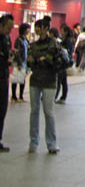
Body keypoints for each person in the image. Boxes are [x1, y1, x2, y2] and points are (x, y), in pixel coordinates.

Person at [27, 18, 60, 154]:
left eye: (39, 27)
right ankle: (33, 141)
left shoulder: (54, 43)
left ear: (46, 28)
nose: (36, 29)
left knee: (48, 112)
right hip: (35, 80)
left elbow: (49, 59)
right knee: (34, 111)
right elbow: (30, 62)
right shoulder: (33, 45)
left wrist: (38, 59)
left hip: (49, 81)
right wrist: (40, 59)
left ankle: (51, 143)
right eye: (35, 27)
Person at [0, 14, 15, 152]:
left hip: (4, 78)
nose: (10, 31)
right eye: (8, 28)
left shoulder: (6, 38)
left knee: (2, 110)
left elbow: (7, 55)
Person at [11, 22, 30, 102]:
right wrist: (19, 63)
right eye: (28, 29)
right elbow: (17, 52)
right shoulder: (19, 40)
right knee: (16, 79)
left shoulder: (26, 39)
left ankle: (21, 96)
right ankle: (14, 96)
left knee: (22, 79)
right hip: (19, 62)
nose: (29, 30)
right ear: (24, 29)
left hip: (24, 62)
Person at [55, 25, 74, 104]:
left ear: (65, 32)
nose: (61, 32)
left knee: (60, 81)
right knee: (63, 81)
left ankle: (56, 96)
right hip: (65, 63)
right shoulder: (67, 40)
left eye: (62, 31)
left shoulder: (67, 41)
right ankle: (63, 97)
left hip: (63, 63)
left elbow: (64, 52)